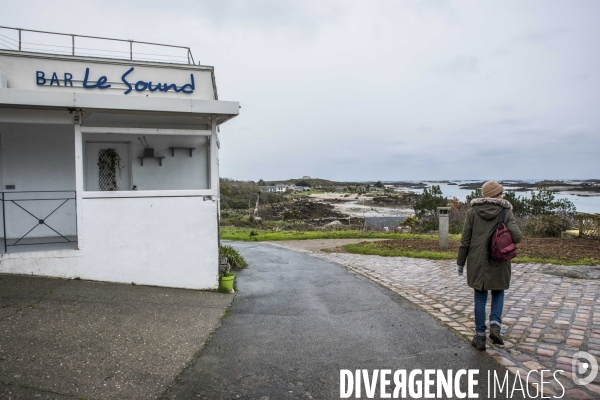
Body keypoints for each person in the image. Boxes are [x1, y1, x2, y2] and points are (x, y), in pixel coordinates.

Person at [457, 181, 522, 351]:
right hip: (499, 259)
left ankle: (480, 337)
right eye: (501, 192)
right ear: (497, 194)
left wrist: (460, 262)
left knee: (480, 296)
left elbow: (465, 240)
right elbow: (517, 237)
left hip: (477, 260)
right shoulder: (506, 211)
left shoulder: (472, 212)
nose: (502, 194)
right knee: (498, 292)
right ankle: (495, 326)